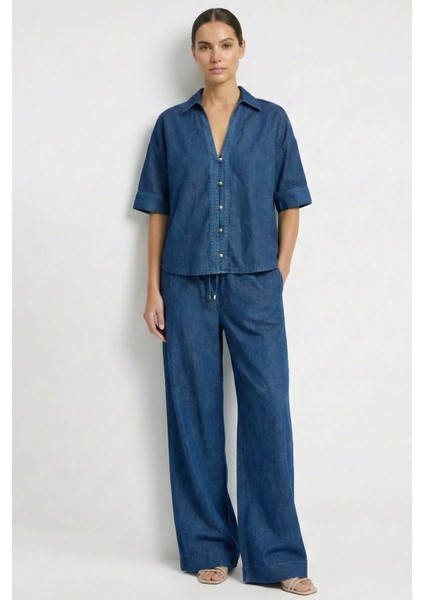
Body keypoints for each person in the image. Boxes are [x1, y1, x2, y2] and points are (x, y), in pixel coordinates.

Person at [132, 7, 317, 596]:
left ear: (242, 49)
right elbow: (158, 210)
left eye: (226, 44)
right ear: (194, 53)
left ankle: (277, 557)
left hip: (254, 284)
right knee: (193, 414)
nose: (216, 55)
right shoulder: (171, 125)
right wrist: (152, 287)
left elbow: (291, 202)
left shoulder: (272, 121)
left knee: (268, 413)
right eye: (206, 46)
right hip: (184, 284)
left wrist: (278, 272)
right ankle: (208, 547)